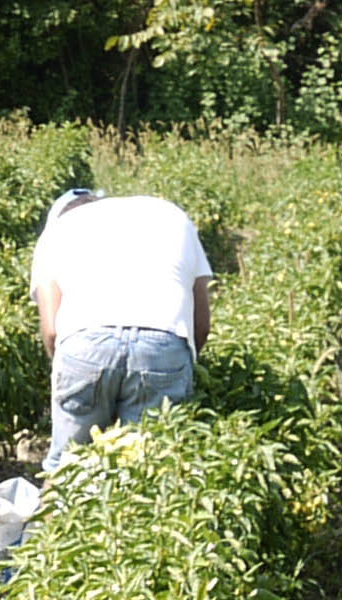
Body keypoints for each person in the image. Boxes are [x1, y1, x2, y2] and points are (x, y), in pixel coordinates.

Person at [29, 187, 217, 476]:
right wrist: (177, 371)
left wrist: (78, 375)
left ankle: (55, 517)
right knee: (147, 471)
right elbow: (201, 324)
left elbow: (51, 330)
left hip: (84, 343)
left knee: (66, 471)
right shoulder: (171, 218)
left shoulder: (56, 232)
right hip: (163, 340)